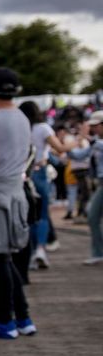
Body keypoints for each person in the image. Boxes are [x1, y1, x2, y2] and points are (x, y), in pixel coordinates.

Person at [0, 69, 36, 339]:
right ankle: (22, 317)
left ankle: (5, 319)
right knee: (6, 258)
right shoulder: (23, 119)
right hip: (16, 194)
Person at [69, 111, 103, 265]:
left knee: (93, 215)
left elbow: (95, 146)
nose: (94, 129)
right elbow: (79, 155)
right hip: (100, 183)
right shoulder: (96, 142)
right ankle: (98, 252)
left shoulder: (97, 143)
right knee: (92, 216)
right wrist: (65, 146)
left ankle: (98, 252)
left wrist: (84, 137)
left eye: (96, 126)